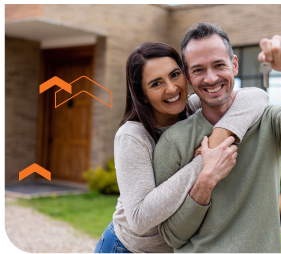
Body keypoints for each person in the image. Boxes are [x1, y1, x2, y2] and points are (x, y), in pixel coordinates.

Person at [153, 22, 281, 253]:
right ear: (187, 76)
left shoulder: (268, 122)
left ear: (234, 65)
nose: (211, 78)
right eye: (198, 70)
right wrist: (206, 181)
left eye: (219, 65)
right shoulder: (173, 142)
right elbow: (173, 236)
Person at [94, 41, 269, 254]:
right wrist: (204, 162)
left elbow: (256, 96)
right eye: (156, 83)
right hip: (128, 249)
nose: (171, 88)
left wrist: (218, 136)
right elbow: (139, 218)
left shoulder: (191, 108)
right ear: (141, 95)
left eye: (175, 75)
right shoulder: (132, 135)